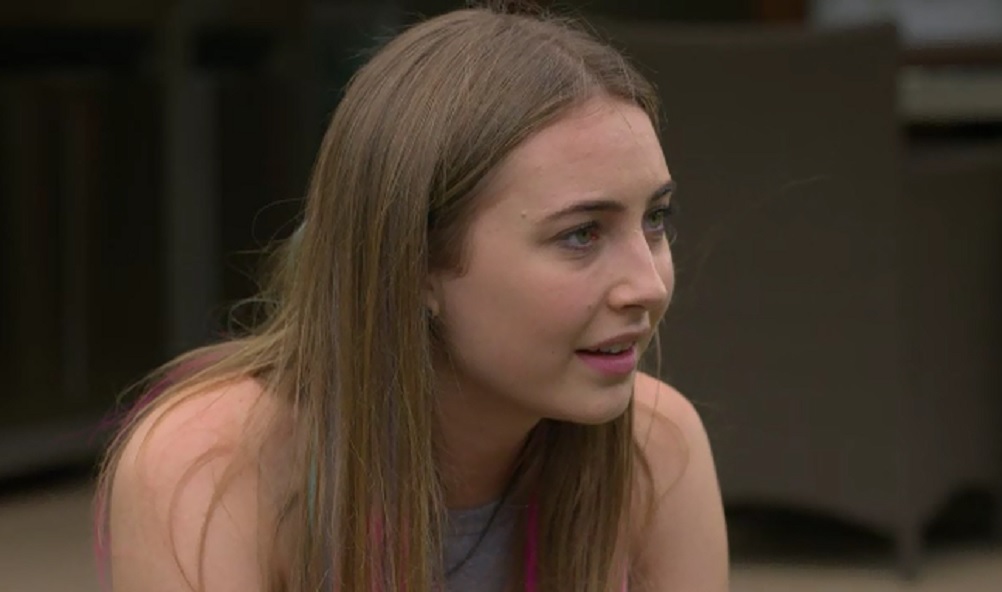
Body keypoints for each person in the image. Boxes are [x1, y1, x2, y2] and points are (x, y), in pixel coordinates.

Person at [95, 4, 729, 591]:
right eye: (581, 234)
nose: (649, 285)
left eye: (655, 219)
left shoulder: (656, 448)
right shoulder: (211, 467)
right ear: (416, 261)